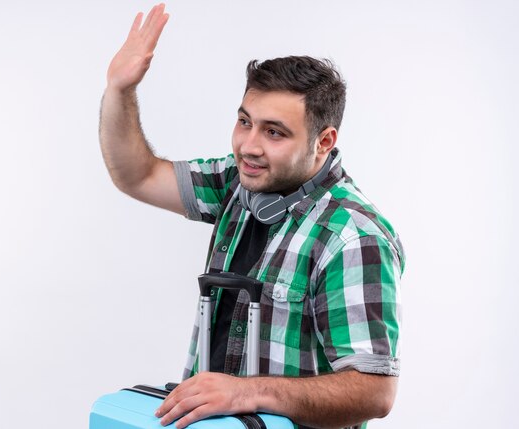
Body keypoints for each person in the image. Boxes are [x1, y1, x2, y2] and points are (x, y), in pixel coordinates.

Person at [99, 4, 405, 429]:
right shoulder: (238, 182)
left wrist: (246, 391)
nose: (249, 146)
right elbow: (139, 174)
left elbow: (373, 391)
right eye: (245, 122)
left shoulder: (353, 237)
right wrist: (119, 89)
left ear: (324, 141)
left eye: (274, 132)